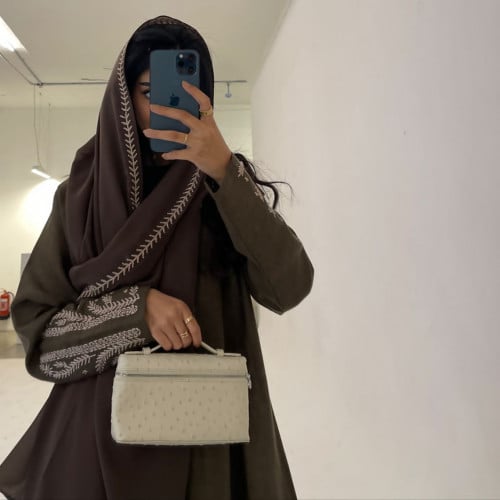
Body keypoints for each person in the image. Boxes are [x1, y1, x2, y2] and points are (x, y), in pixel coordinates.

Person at [0, 15, 313, 500]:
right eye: (152, 93)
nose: (170, 108)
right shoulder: (78, 198)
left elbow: (289, 287)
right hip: (96, 443)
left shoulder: (222, 190)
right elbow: (39, 338)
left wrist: (223, 170)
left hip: (205, 446)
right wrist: (136, 311)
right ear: (123, 98)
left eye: (189, 95)